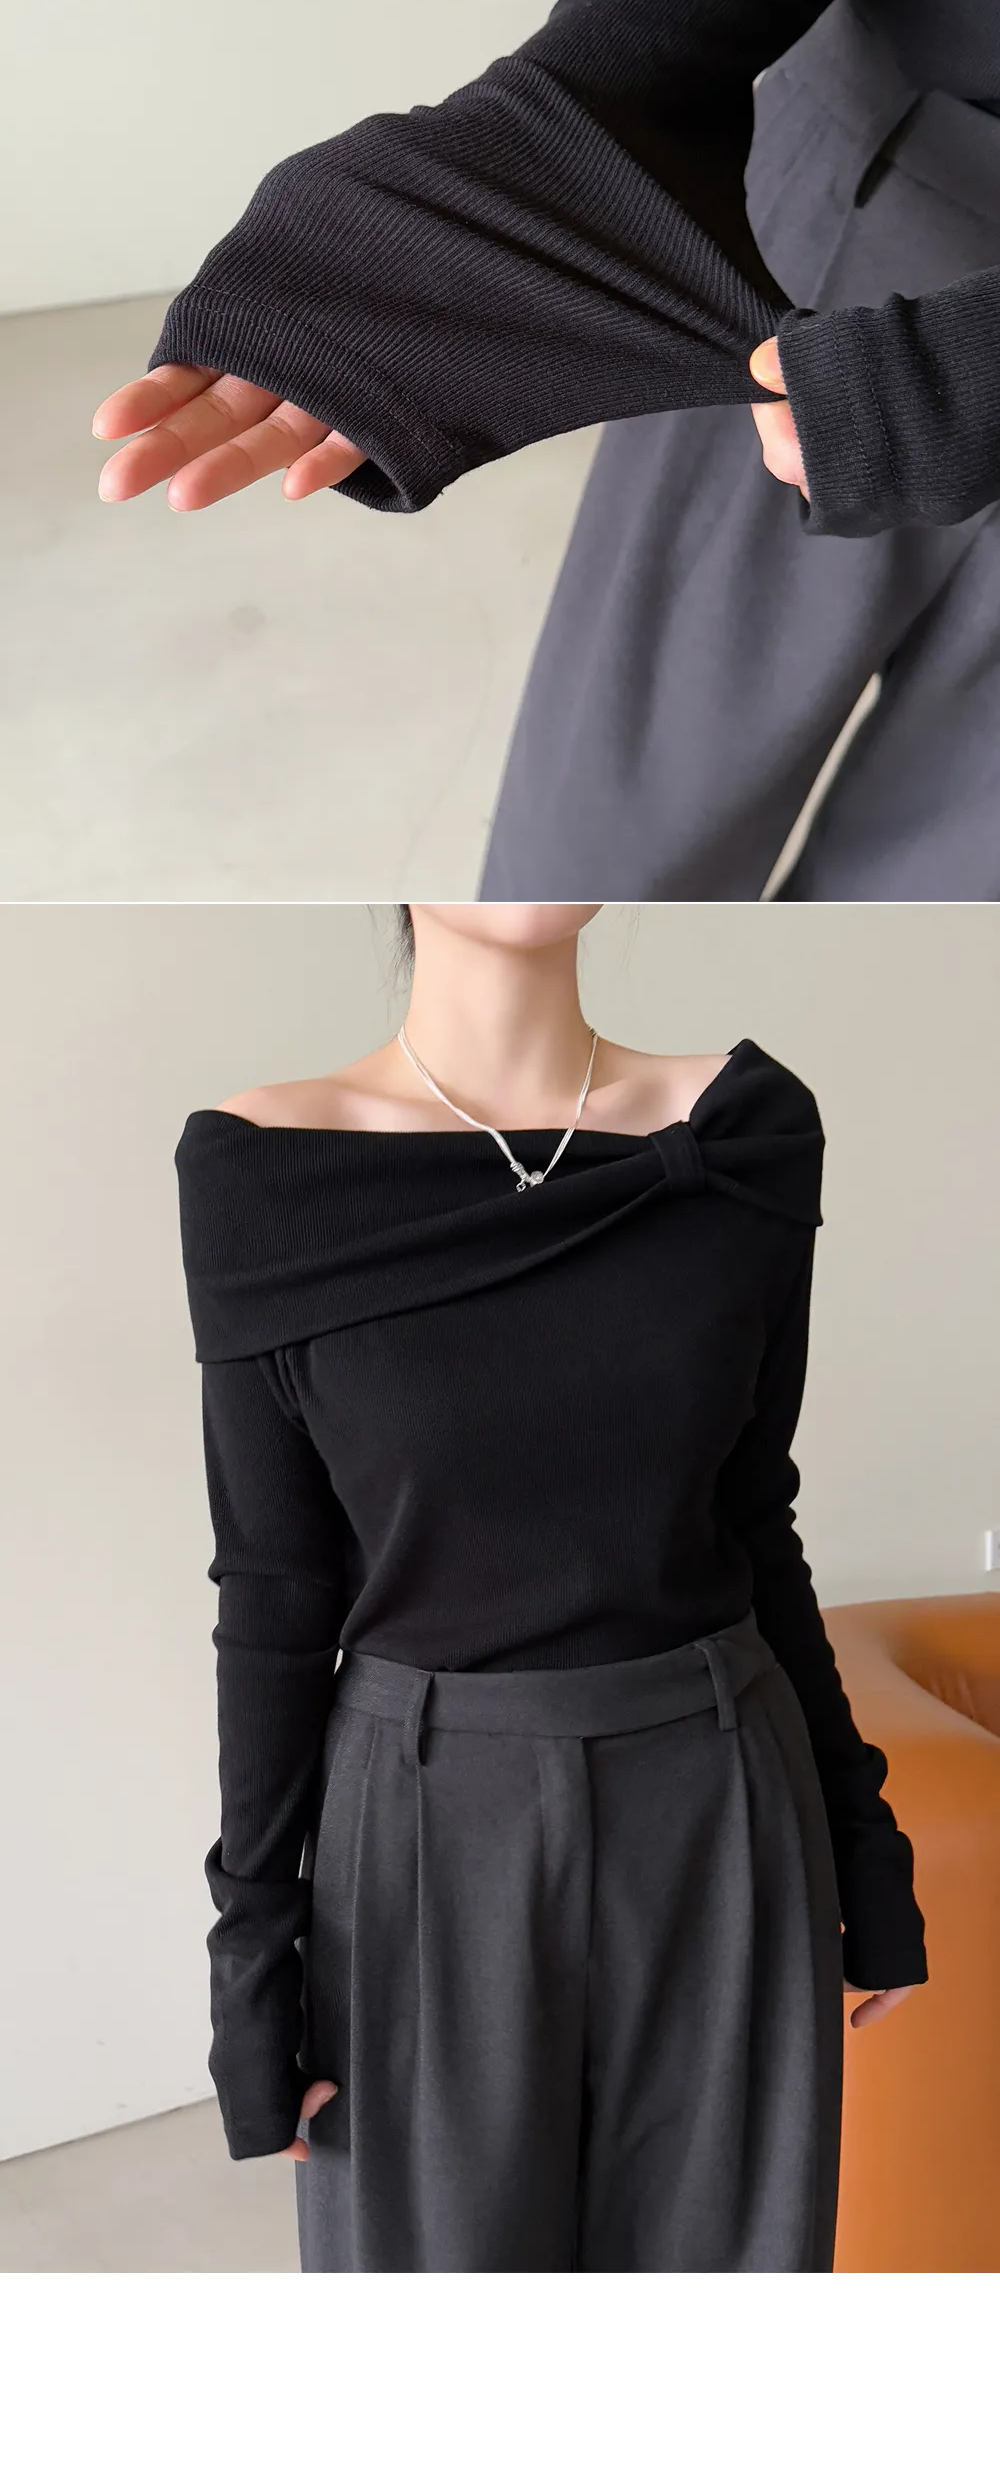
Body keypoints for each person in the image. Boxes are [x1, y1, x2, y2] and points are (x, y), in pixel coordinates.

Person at [93, 0, 1000, 900]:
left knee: (947, 904)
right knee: (595, 869)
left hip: (884, 307)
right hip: (851, 252)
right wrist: (549, 137)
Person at [176, 899, 924, 2273]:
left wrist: (865, 1848)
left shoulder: (743, 1134)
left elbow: (755, 1519)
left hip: (718, 1812)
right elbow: (275, 1591)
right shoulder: (264, 1169)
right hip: (424, 1836)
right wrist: (252, 1959)